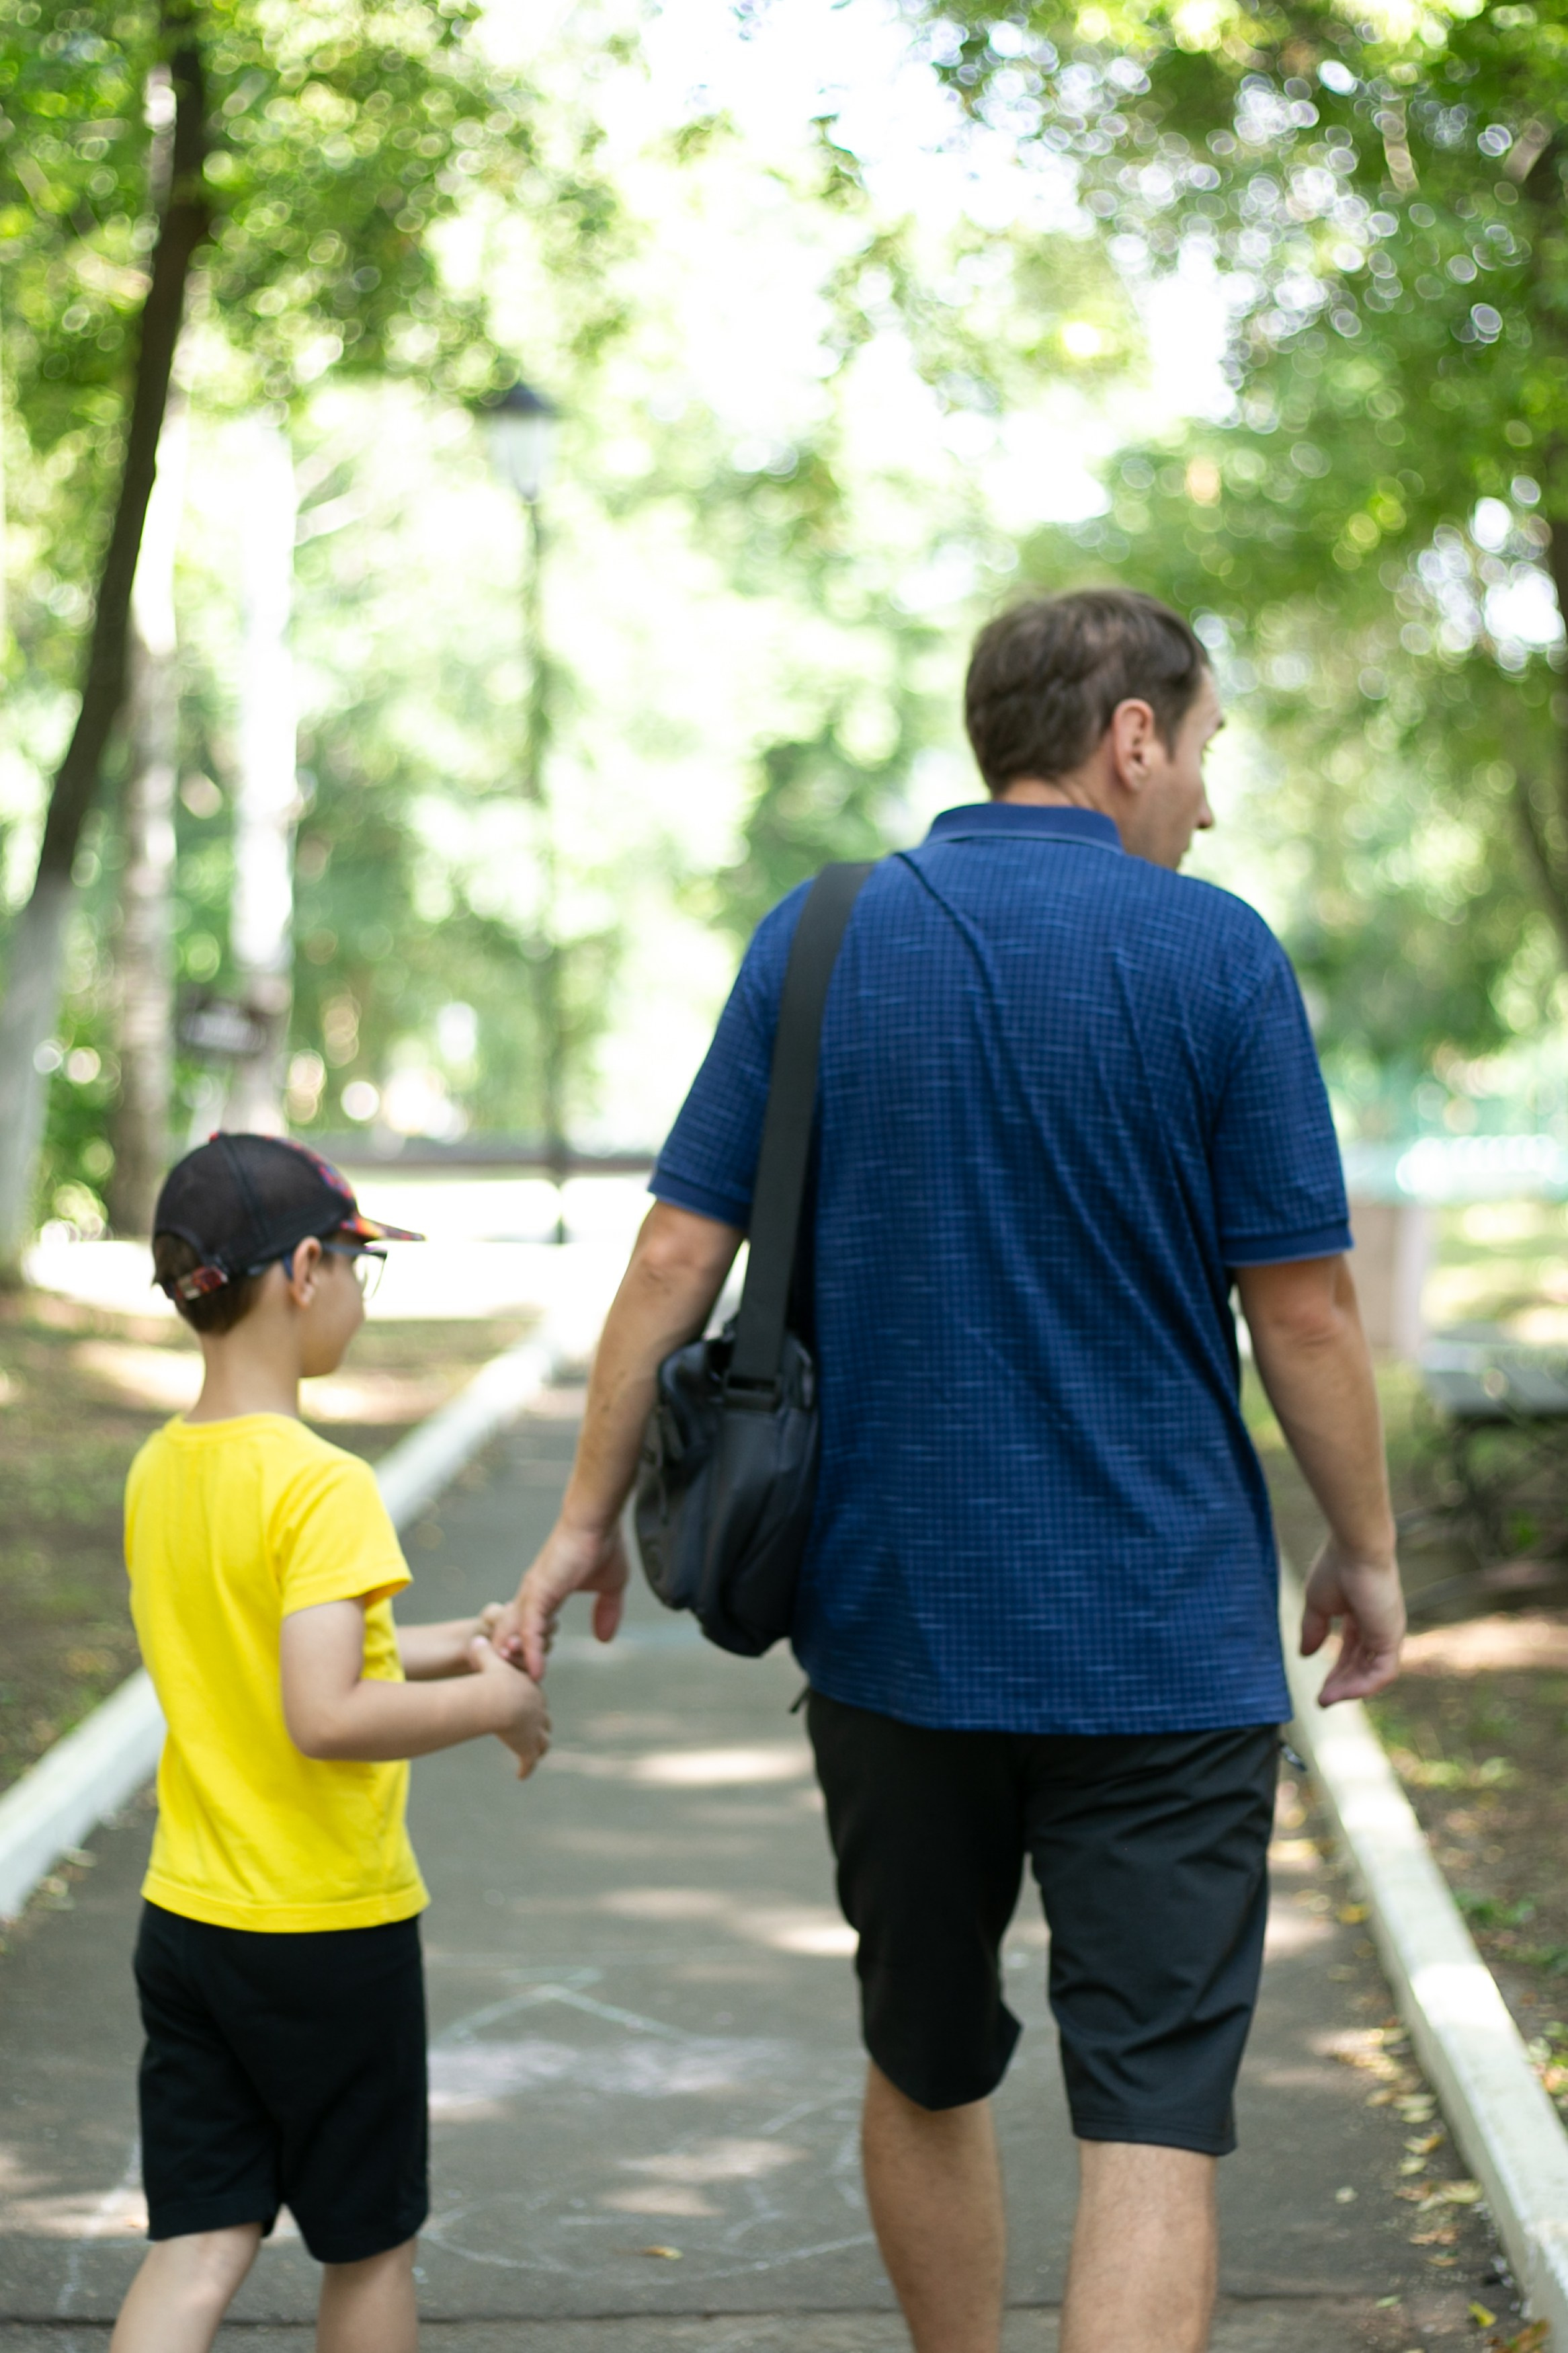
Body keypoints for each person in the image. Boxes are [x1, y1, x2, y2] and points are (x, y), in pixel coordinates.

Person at [493, 588, 1405, 2353]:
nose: (1204, 800)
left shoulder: (822, 935)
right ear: (1127, 735)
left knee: (920, 2054)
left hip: (893, 1632)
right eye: (1201, 747)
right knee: (1148, 2116)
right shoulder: (1214, 958)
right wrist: (1361, 1551)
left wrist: (580, 1524)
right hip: (1160, 1641)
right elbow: (1302, 1316)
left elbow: (674, 1257)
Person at [112, 1133, 549, 2353]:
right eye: (361, 1265)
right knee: (366, 2249)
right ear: (306, 1269)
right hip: (322, 1934)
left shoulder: (163, 1471)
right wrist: (500, 1706)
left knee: (199, 2242)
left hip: (191, 1922)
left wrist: (455, 1641)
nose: (360, 1293)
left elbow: (265, 1663)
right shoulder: (319, 1485)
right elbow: (327, 1716)